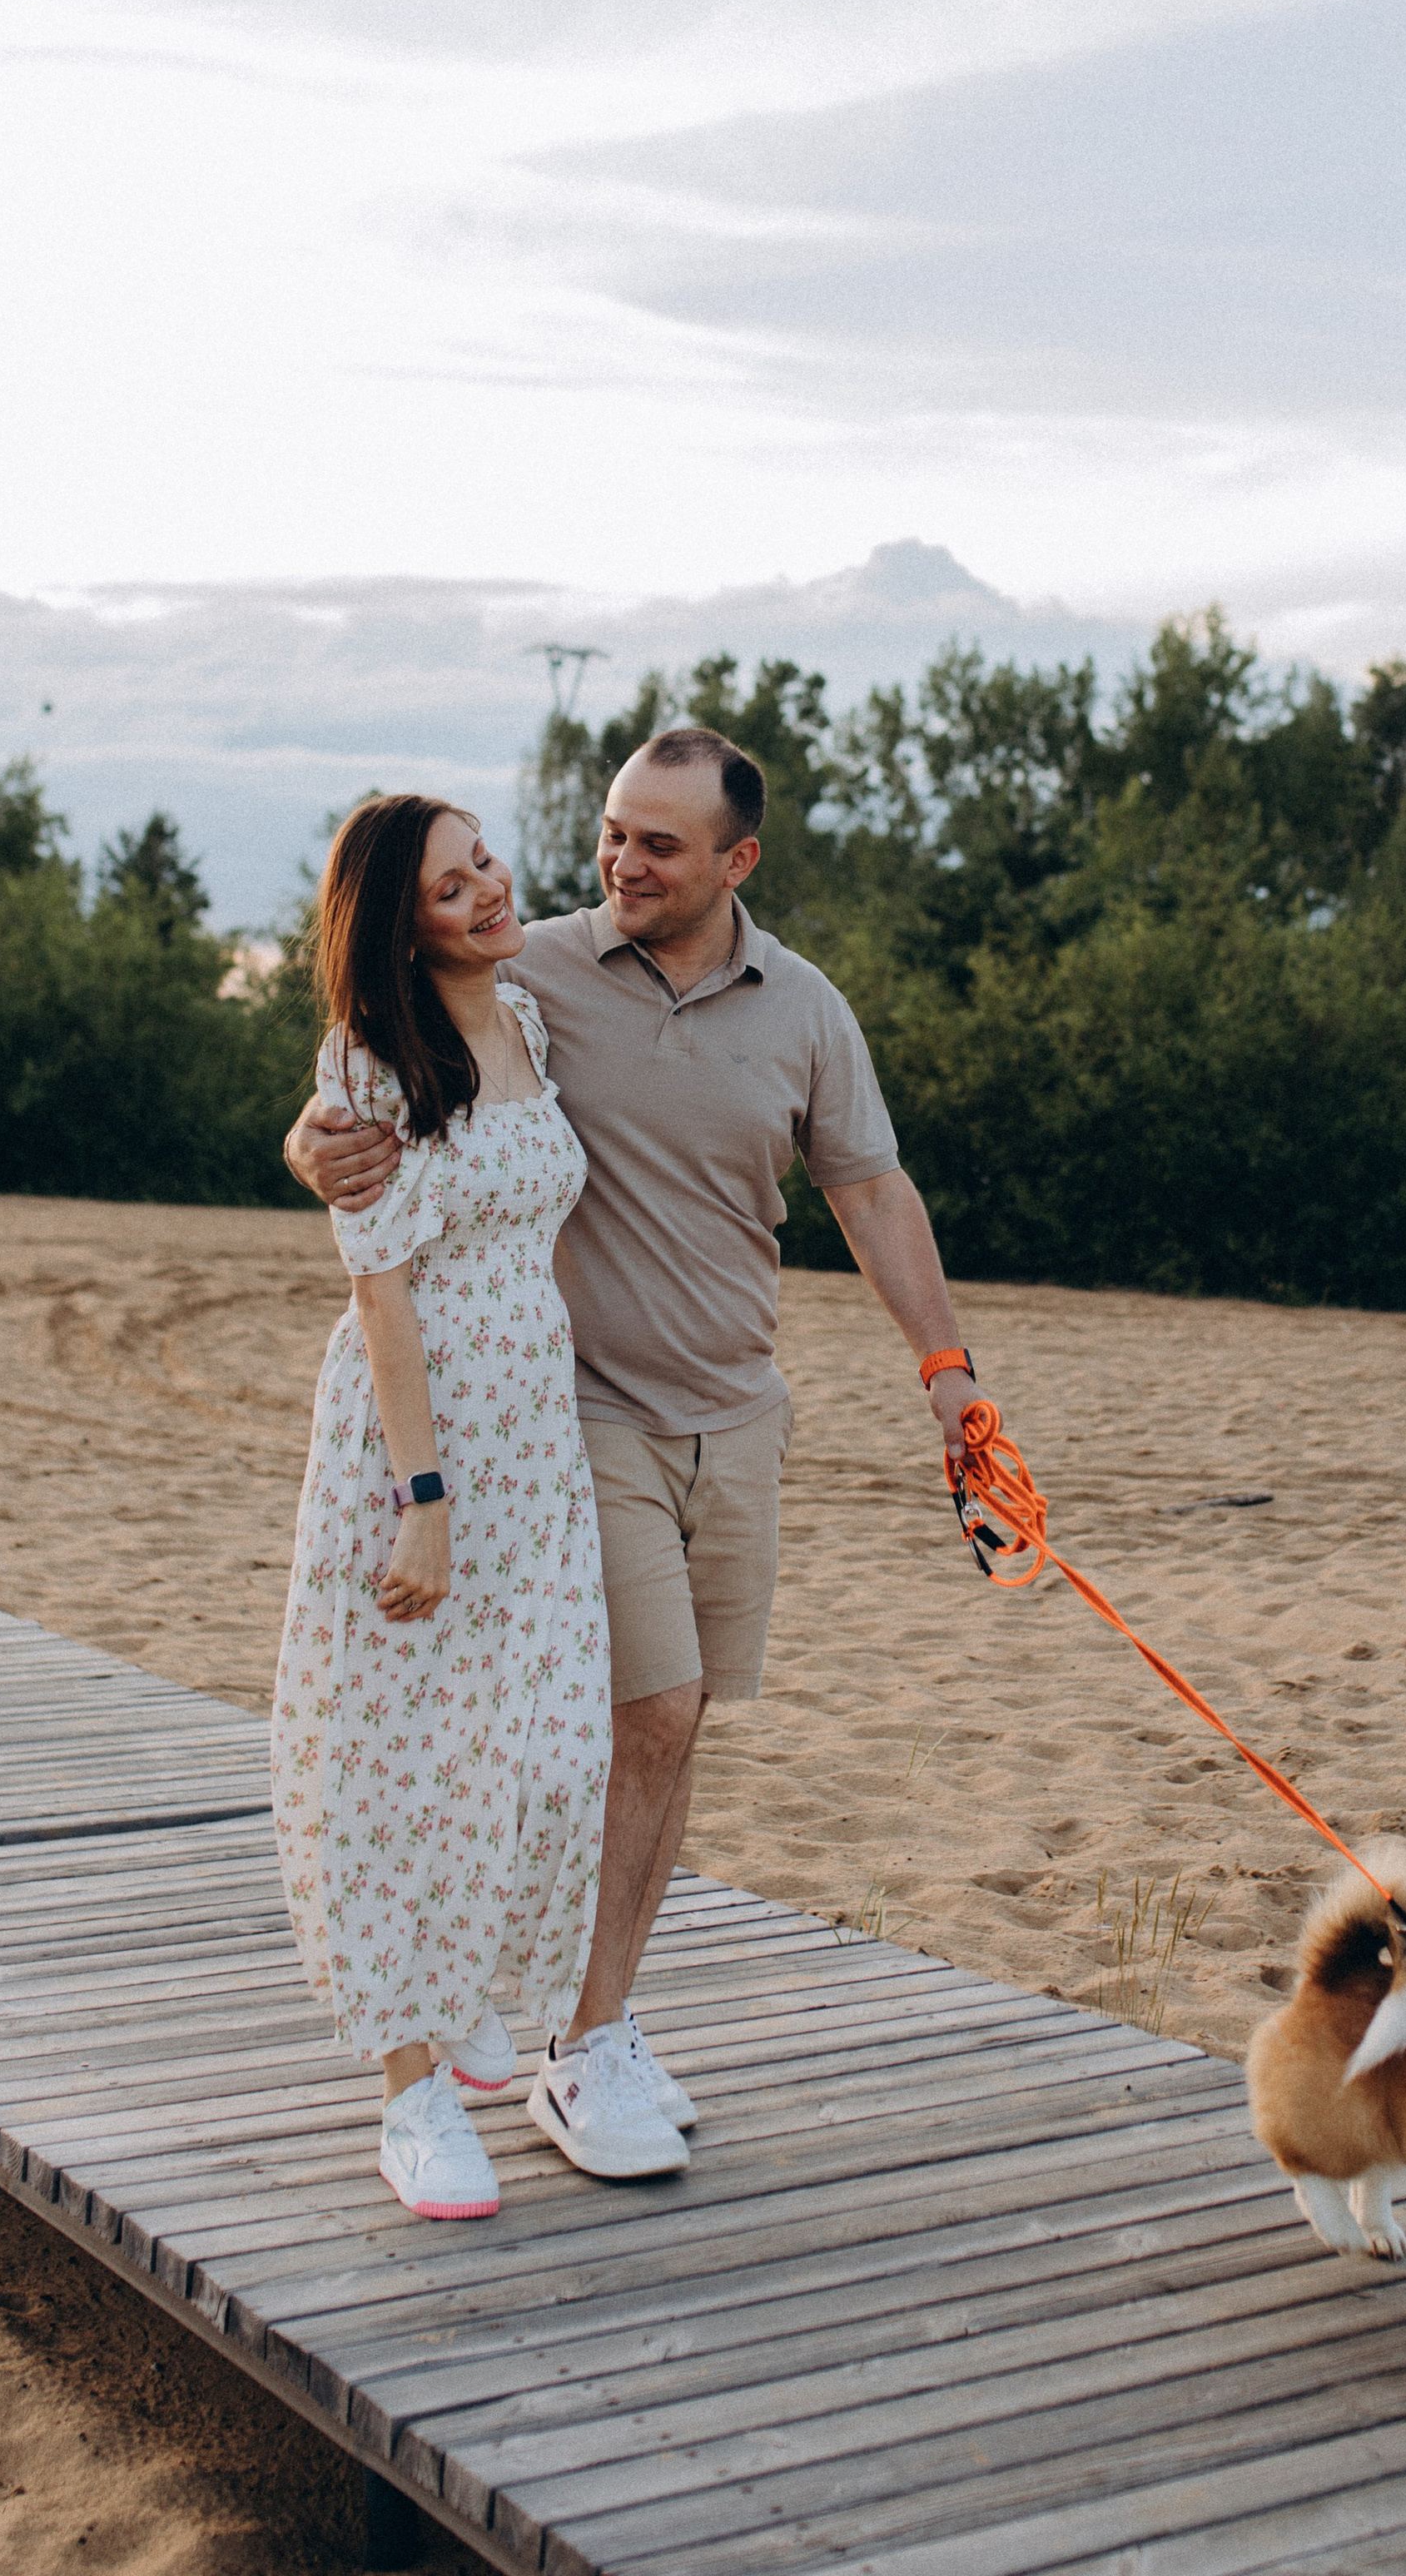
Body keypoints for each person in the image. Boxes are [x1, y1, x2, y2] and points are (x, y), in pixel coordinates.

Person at [286, 724, 984, 2182]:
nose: (620, 863)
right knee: (634, 1708)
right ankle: (533, 2047)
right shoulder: (536, 966)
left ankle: (591, 2028)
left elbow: (871, 1189)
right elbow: (379, 1046)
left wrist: (951, 1384)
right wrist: (314, 1137)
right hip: (566, 1418)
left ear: (738, 860)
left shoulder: (802, 1009)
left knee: (675, 1729)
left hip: (736, 1414)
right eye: (613, 832)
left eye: (660, 844)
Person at [272, 793, 622, 2224]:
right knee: (392, 1759)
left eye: (485, 862)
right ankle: (409, 2090)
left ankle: (474, 1985)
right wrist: (425, 1500)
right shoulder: (370, 1060)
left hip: (538, 1438)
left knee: (548, 1742)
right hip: (413, 1438)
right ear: (397, 927)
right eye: (449, 884)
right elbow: (384, 1294)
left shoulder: (528, 1017)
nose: (487, 889)